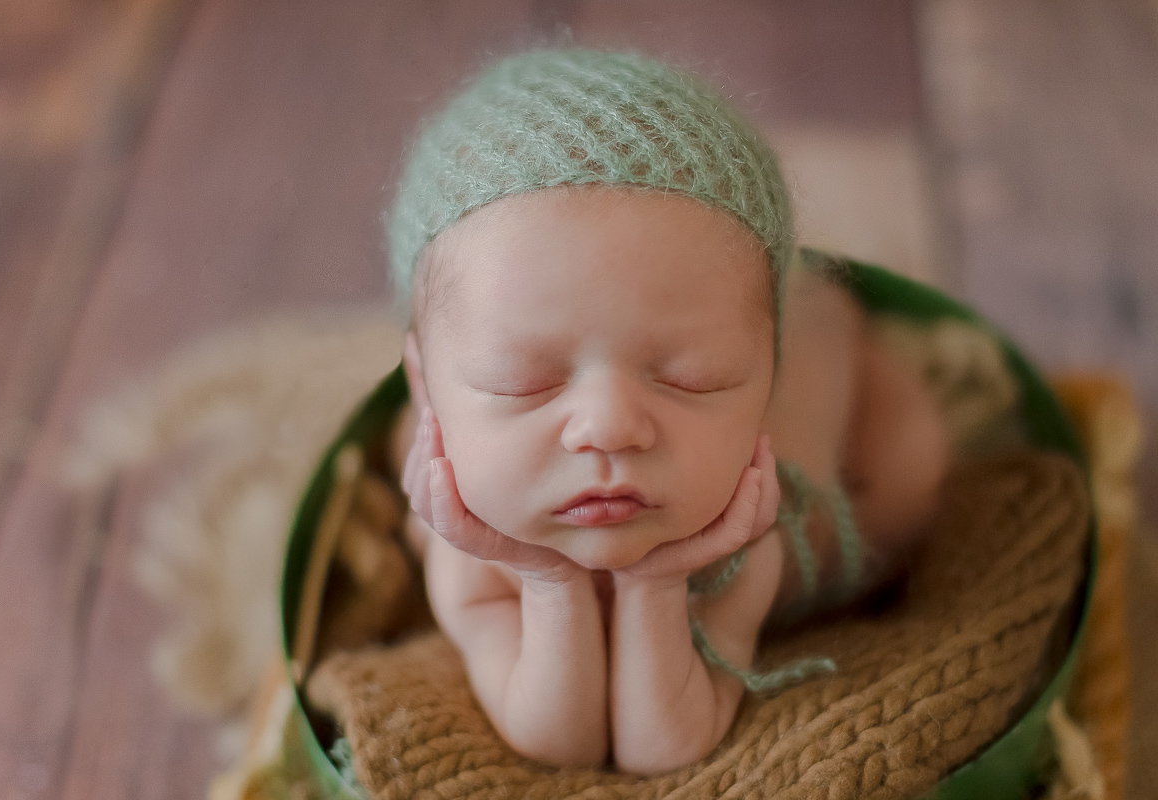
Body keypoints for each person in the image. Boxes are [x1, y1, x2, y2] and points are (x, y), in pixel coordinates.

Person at [388, 49, 950, 774]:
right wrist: (546, 577)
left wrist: (656, 581)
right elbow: (560, 743)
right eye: (524, 382)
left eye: (692, 378)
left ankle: (812, 319)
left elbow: (667, 746)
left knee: (910, 463)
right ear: (424, 384)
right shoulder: (468, 557)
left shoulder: (742, 545)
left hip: (838, 390)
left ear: (765, 382)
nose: (609, 428)